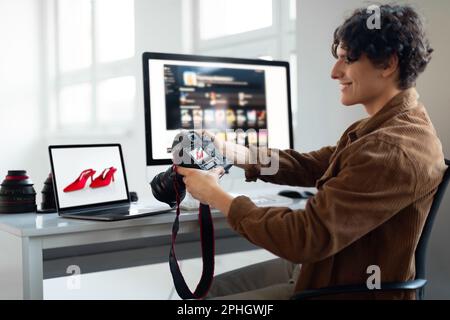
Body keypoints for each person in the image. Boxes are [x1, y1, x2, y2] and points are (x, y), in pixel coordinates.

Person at [176, 4, 447, 300]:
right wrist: (234, 152)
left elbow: (303, 237)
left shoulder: (392, 148)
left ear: (388, 64)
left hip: (338, 289)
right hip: (321, 268)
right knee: (197, 295)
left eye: (347, 59)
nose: (335, 72)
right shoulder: (383, 129)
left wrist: (215, 195)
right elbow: (307, 166)